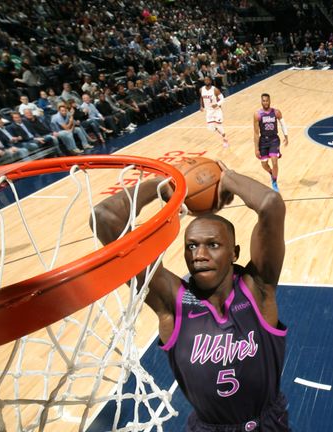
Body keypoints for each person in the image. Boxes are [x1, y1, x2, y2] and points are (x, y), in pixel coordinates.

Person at [92, 162, 290, 431]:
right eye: (192, 246)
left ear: (234, 253)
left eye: (213, 245)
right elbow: (103, 217)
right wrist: (163, 188)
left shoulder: (258, 289)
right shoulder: (171, 303)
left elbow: (270, 204)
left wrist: (226, 177)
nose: (199, 254)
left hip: (268, 424)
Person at [253, 93, 289, 193]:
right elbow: (256, 133)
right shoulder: (257, 115)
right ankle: (271, 173)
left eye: (267, 100)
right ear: (261, 102)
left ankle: (274, 181)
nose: (265, 102)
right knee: (264, 164)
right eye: (263, 101)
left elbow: (283, 124)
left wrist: (286, 136)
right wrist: (256, 149)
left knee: (274, 161)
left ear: (270, 101)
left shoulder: (276, 112)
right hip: (263, 141)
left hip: (274, 140)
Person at [200, 76, 229, 148]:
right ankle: (221, 133)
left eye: (207, 80)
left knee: (218, 125)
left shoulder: (215, 90)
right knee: (211, 128)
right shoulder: (201, 89)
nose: (206, 81)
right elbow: (201, 98)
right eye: (205, 80)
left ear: (210, 81)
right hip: (208, 111)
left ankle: (225, 139)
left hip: (216, 110)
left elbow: (222, 99)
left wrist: (217, 104)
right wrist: (201, 106)